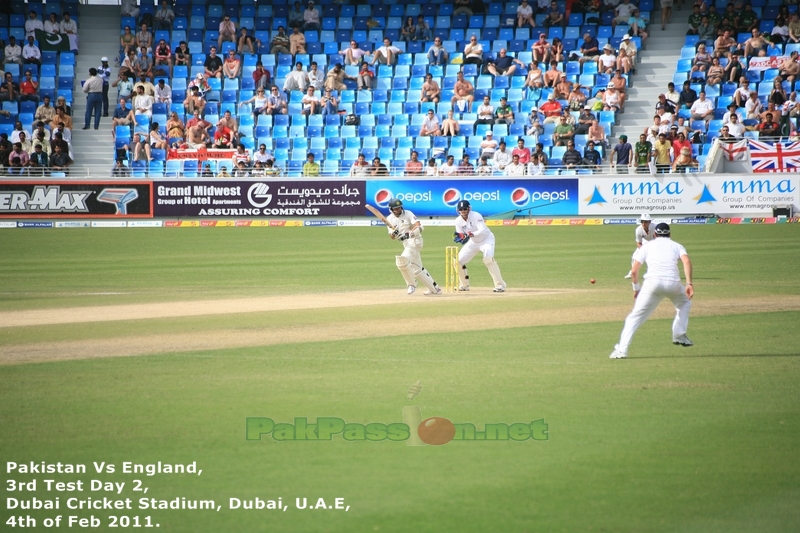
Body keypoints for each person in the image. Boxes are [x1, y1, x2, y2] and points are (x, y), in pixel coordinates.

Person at [610, 223, 694, 359]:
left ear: (655, 234)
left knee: (635, 317)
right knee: (684, 304)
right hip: (673, 283)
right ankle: (679, 334)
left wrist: (636, 288)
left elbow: (634, 270)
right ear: (670, 234)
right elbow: (687, 261)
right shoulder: (677, 245)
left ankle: (622, 350)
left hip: (652, 284)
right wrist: (689, 283)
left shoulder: (647, 246)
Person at [384, 199, 442, 296]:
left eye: (399, 207)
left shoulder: (408, 213)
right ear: (391, 209)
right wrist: (394, 233)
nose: (398, 209)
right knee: (417, 269)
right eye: (396, 208)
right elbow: (392, 237)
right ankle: (435, 289)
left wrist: (408, 234)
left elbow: (419, 226)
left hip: (415, 241)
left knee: (402, 261)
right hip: (406, 244)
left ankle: (412, 284)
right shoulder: (389, 219)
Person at [452, 200, 506, 293]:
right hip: (473, 242)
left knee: (488, 259)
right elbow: (460, 234)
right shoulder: (457, 221)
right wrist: (461, 238)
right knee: (457, 262)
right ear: (458, 210)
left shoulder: (476, 215)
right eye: (461, 209)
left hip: (486, 240)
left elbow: (482, 229)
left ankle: (500, 285)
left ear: (469, 208)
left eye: (465, 209)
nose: (463, 211)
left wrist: (471, 234)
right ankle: (464, 285)